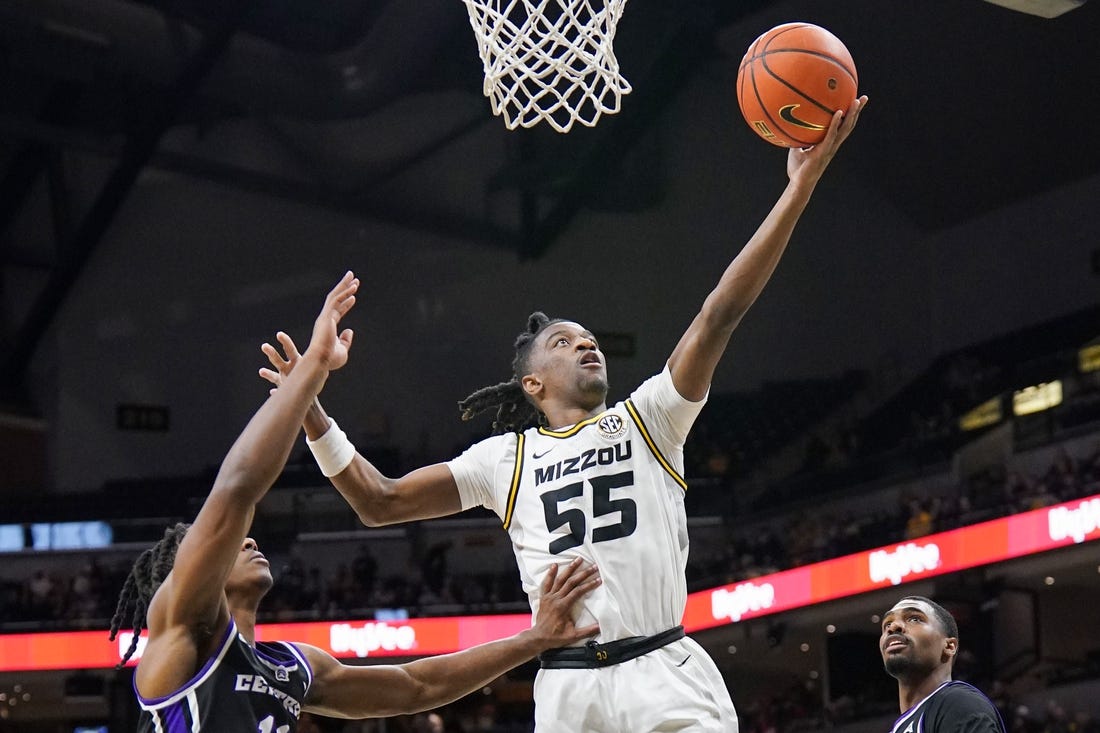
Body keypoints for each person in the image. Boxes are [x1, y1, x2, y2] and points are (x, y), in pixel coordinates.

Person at [262, 98, 868, 732]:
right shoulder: (504, 460)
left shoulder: (651, 419)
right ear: (532, 382)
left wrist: (799, 188)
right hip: (568, 689)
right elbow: (378, 501)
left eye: (590, 339)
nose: (586, 343)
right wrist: (309, 407)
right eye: (564, 342)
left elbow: (719, 312)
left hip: (662, 670)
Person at [109, 272, 602, 732]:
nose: (249, 539)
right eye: (217, 544)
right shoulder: (181, 635)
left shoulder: (289, 666)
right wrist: (312, 370)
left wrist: (532, 640)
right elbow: (237, 489)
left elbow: (417, 687)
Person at [879, 596, 1006, 733]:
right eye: (887, 624)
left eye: (914, 619)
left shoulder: (958, 703)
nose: (893, 627)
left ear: (949, 646)